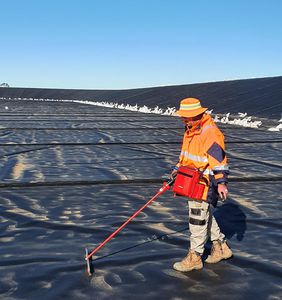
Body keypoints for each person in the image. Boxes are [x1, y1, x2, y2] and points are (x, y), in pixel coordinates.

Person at [171, 97, 232, 272]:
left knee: (197, 217)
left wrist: (221, 182)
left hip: (203, 181)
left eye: (186, 116)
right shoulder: (191, 129)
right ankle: (220, 247)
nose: (183, 119)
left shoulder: (208, 131)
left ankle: (195, 256)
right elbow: (187, 153)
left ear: (196, 115)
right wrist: (178, 168)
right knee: (204, 213)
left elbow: (218, 160)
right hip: (191, 179)